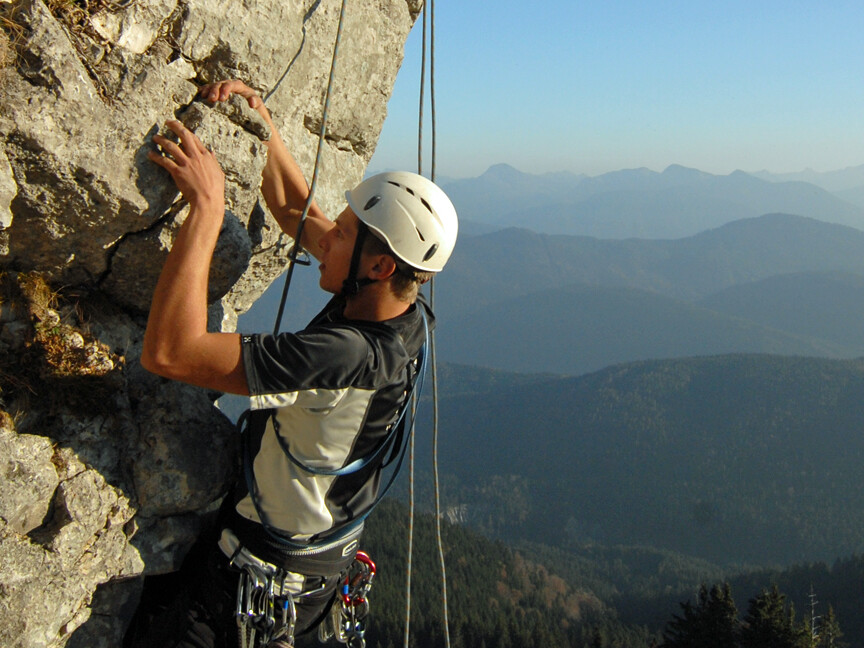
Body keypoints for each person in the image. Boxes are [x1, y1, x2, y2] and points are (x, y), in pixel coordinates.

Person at [128, 80, 458, 647]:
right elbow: (294, 211)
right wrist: (265, 129)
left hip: (253, 585)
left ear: (378, 267)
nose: (328, 238)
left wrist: (207, 209)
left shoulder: (345, 356)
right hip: (309, 572)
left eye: (345, 235)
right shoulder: (396, 309)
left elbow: (169, 352)